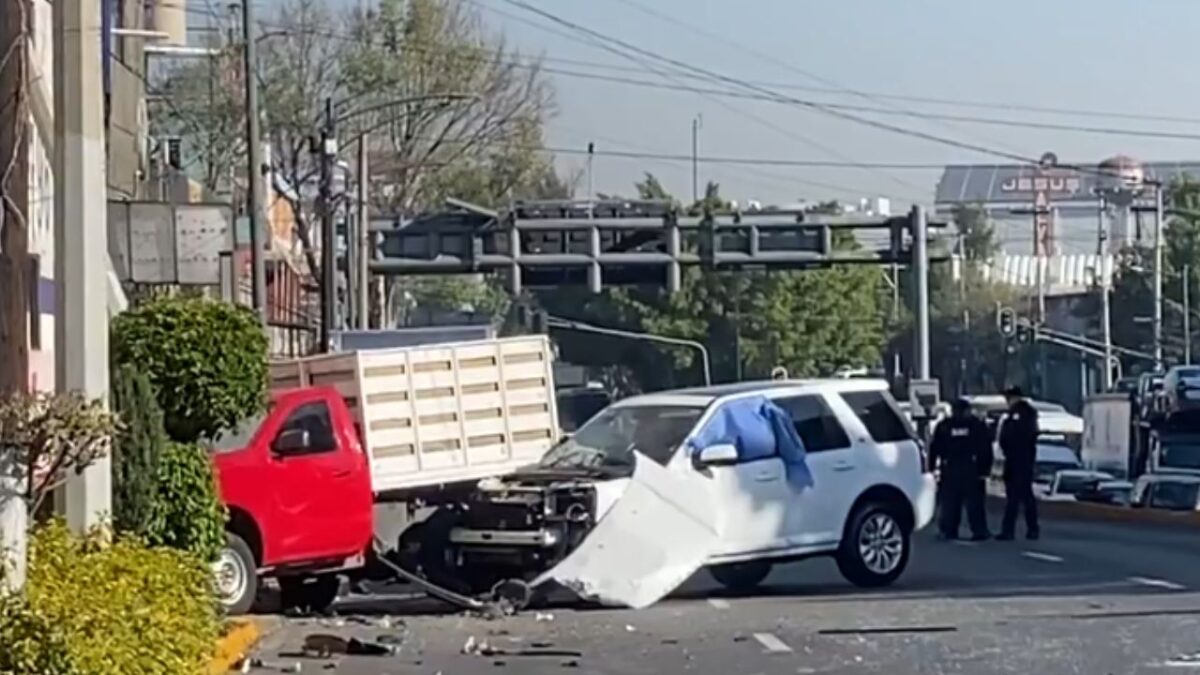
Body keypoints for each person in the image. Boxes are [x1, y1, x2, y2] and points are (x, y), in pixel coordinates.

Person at [929, 397, 992, 541]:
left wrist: (931, 467)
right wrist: (984, 470)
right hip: (971, 467)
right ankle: (979, 530)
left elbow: (935, 448)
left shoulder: (945, 426)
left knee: (951, 501)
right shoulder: (976, 425)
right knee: (974, 502)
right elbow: (985, 449)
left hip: (950, 467)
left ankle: (949, 530)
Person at [997, 386, 1040, 540]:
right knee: (1016, 496)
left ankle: (1017, 530)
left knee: (1019, 497)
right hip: (1015, 459)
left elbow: (1024, 436)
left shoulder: (1025, 413)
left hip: (1021, 460)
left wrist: (1012, 449)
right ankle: (1022, 529)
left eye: (1009, 398)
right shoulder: (1012, 414)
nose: (1007, 401)